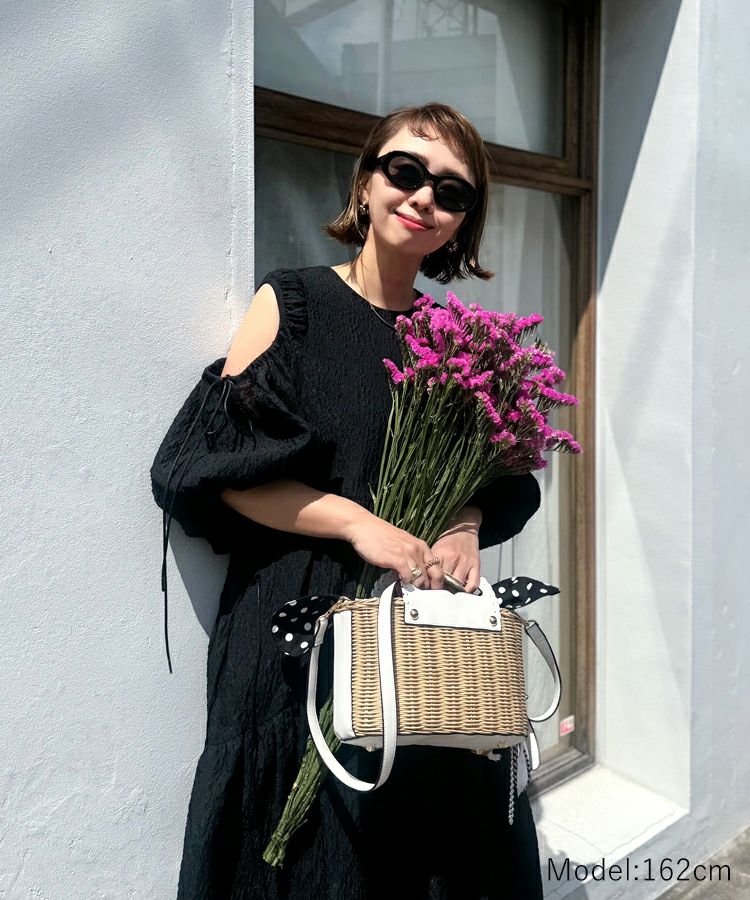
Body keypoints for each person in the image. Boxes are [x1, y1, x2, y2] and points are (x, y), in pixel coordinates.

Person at [150, 101, 544, 899]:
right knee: (299, 853)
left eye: (451, 191)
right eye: (404, 171)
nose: (423, 197)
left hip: (417, 640)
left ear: (462, 222)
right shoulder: (292, 304)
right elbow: (220, 469)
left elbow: (489, 481)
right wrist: (359, 524)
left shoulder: (456, 344)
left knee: (418, 847)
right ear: (365, 182)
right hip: (296, 632)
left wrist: (463, 526)